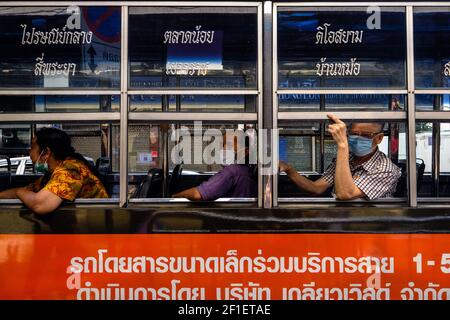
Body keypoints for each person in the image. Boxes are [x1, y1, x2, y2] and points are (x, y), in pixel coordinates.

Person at [279, 113, 401, 200]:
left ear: (379, 138)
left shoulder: (387, 169)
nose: (358, 138)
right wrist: (289, 170)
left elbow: (345, 194)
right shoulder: (347, 159)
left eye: (366, 135)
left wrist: (343, 145)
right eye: (354, 134)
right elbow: (316, 188)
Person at [0, 127, 109, 214]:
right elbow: (29, 190)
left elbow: (40, 205)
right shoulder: (53, 173)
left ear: (46, 152)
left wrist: (18, 191)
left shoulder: (70, 170)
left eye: (32, 147)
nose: (29, 152)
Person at [173, 133, 257, 201]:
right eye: (223, 145)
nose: (224, 149)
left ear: (245, 151)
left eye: (229, 145)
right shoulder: (246, 171)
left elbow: (197, 194)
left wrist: (174, 197)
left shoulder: (232, 172)